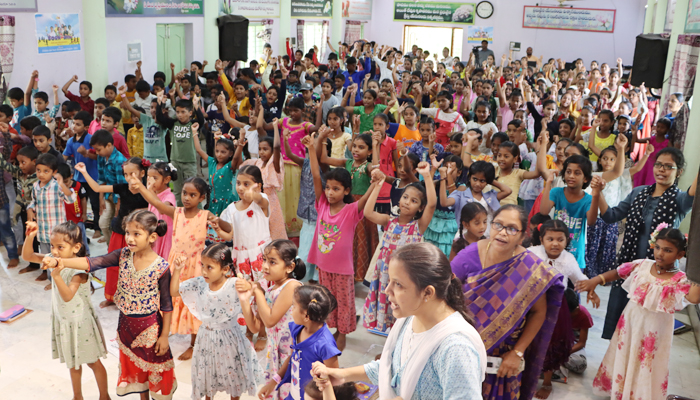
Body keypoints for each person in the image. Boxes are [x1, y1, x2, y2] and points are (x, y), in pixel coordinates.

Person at [313, 242, 487, 400]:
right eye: (390, 281)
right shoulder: (410, 319)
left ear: (427, 293)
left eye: (398, 284)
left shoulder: (456, 349)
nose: (387, 290)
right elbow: (391, 369)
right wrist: (341, 375)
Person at [43, 210, 177, 400]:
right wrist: (59, 261)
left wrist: (164, 336)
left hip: (150, 330)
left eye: (136, 234)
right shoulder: (123, 255)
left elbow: (167, 305)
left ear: (152, 237)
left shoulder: (161, 267)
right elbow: (93, 262)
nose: (129, 238)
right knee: (139, 374)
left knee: (154, 373)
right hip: (126, 327)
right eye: (127, 233)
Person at [451, 205, 565, 400]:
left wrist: (517, 352)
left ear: (521, 237)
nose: (502, 232)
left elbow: (539, 312)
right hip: (463, 348)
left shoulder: (530, 267)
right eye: (498, 225)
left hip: (504, 358)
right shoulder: (468, 255)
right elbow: (444, 295)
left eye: (511, 228)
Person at [576, 228, 700, 400]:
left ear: (680, 254)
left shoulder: (680, 279)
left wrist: (696, 268)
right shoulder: (642, 265)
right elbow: (618, 272)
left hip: (654, 331)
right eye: (658, 247)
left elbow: (694, 297)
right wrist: (596, 280)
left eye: (668, 250)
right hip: (630, 323)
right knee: (626, 353)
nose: (660, 253)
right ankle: (620, 391)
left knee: (646, 362)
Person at [592, 147, 696, 339]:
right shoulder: (638, 193)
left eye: (668, 167)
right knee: (620, 326)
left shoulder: (680, 200)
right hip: (629, 270)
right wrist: (598, 193)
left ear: (679, 172)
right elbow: (610, 216)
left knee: (645, 330)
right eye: (658, 165)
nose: (661, 170)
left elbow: (693, 192)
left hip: (657, 276)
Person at [23, 221, 109, 400]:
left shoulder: (80, 269)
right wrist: (30, 236)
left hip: (81, 324)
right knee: (73, 363)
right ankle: (77, 396)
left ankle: (104, 396)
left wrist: (56, 276)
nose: (54, 251)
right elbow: (28, 255)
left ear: (76, 247)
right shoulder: (54, 259)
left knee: (93, 362)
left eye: (60, 247)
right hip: (64, 320)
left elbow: (68, 296)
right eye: (52, 246)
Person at [307, 134, 376, 350]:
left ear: (346, 191)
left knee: (345, 302)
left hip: (343, 269)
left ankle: (342, 332)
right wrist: (311, 149)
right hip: (323, 266)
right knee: (326, 299)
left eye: (336, 189)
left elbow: (365, 199)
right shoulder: (322, 205)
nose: (329, 192)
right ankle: (330, 328)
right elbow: (316, 175)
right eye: (328, 188)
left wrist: (376, 183)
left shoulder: (350, 211)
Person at [171, 243, 261, 400]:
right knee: (208, 377)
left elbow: (257, 292)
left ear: (225, 269)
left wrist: (249, 287)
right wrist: (177, 270)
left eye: (209, 267)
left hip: (230, 341)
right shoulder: (199, 283)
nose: (204, 271)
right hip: (206, 339)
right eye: (202, 265)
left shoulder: (234, 285)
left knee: (233, 377)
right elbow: (174, 291)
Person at [362, 162, 436, 334]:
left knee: (401, 305)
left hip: (404, 276)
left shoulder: (418, 226)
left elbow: (432, 204)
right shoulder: (389, 221)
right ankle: (384, 328)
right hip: (385, 274)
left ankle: (399, 332)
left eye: (414, 201)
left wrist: (426, 175)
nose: (407, 202)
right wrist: (378, 185)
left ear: (421, 207)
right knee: (386, 300)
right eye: (405, 197)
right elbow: (368, 212)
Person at [529, 220, 596, 400]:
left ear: (567, 240)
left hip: (556, 308)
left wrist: (591, 290)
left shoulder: (568, 259)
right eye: (550, 239)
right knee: (528, 341)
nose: (555, 244)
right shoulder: (531, 253)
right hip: (532, 305)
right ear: (541, 239)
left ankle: (547, 382)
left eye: (560, 239)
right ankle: (525, 377)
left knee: (551, 344)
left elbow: (579, 279)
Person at [76, 157, 149, 305]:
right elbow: (97, 188)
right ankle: (112, 296)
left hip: (137, 236)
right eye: (126, 174)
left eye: (132, 174)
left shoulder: (148, 192)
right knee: (114, 265)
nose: (129, 177)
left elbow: (154, 207)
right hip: (119, 232)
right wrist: (84, 172)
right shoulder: (122, 187)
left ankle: (130, 298)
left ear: (142, 173)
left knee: (134, 267)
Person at [236, 240, 305, 399]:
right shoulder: (271, 289)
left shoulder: (292, 286)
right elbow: (255, 327)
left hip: (291, 355)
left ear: (289, 267)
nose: (265, 266)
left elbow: (270, 320)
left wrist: (257, 291)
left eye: (272, 262)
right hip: (275, 354)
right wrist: (244, 300)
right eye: (264, 260)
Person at [257, 285, 341, 400]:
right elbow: (292, 357)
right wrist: (273, 382)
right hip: (293, 395)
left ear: (306, 315)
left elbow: (335, 380)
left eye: (294, 306)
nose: (291, 312)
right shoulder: (297, 329)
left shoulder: (326, 345)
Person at [27, 153, 75, 287]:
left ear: (54, 172)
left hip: (57, 233)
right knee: (47, 258)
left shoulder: (56, 186)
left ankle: (63, 282)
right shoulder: (35, 186)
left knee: (61, 258)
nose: (41, 174)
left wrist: (62, 184)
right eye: (38, 170)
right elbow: (33, 202)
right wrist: (30, 209)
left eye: (46, 171)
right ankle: (53, 282)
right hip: (43, 232)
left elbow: (71, 199)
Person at [154, 92, 204, 206]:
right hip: (175, 161)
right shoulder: (173, 123)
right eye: (177, 112)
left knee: (192, 188)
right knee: (177, 190)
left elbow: (201, 120)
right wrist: (160, 102)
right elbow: (160, 117)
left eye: (183, 112)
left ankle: (197, 211)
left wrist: (196, 106)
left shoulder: (193, 124)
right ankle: (180, 211)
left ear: (190, 113)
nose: (180, 115)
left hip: (189, 162)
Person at [240, 119, 287, 240]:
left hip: (271, 200)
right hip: (257, 198)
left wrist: (275, 127)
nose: (261, 152)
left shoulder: (274, 163)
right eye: (260, 149)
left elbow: (277, 146)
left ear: (272, 151)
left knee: (272, 227)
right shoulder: (258, 162)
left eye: (265, 149)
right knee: (258, 228)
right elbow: (241, 164)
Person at [144, 162, 177, 259]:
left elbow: (162, 209)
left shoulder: (169, 196)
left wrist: (150, 191)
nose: (150, 181)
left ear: (166, 179)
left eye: (155, 178)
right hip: (155, 232)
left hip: (165, 234)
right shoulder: (154, 193)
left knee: (164, 258)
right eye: (149, 177)